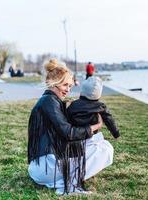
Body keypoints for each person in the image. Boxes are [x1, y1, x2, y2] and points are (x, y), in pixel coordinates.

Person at [27, 59, 114, 195]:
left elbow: (62, 131)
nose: (68, 89)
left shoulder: (50, 101)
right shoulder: (49, 102)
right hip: (45, 166)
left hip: (42, 166)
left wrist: (66, 106)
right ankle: (71, 184)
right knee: (104, 149)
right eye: (65, 85)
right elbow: (68, 133)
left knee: (98, 142)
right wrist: (95, 126)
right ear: (54, 83)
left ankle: (68, 179)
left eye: (70, 86)